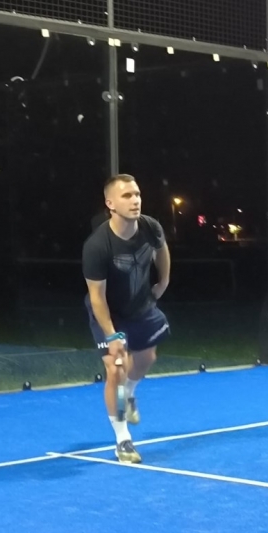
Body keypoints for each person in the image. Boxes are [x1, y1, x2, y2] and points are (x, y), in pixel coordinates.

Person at [83, 174, 171, 463]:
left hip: (141, 306)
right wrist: (113, 336)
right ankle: (123, 439)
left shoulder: (150, 226)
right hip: (109, 312)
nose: (135, 201)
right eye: (127, 196)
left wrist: (163, 281)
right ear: (110, 204)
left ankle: (130, 394)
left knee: (147, 358)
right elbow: (97, 297)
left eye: (137, 195)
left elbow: (161, 251)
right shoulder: (97, 246)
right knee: (117, 370)